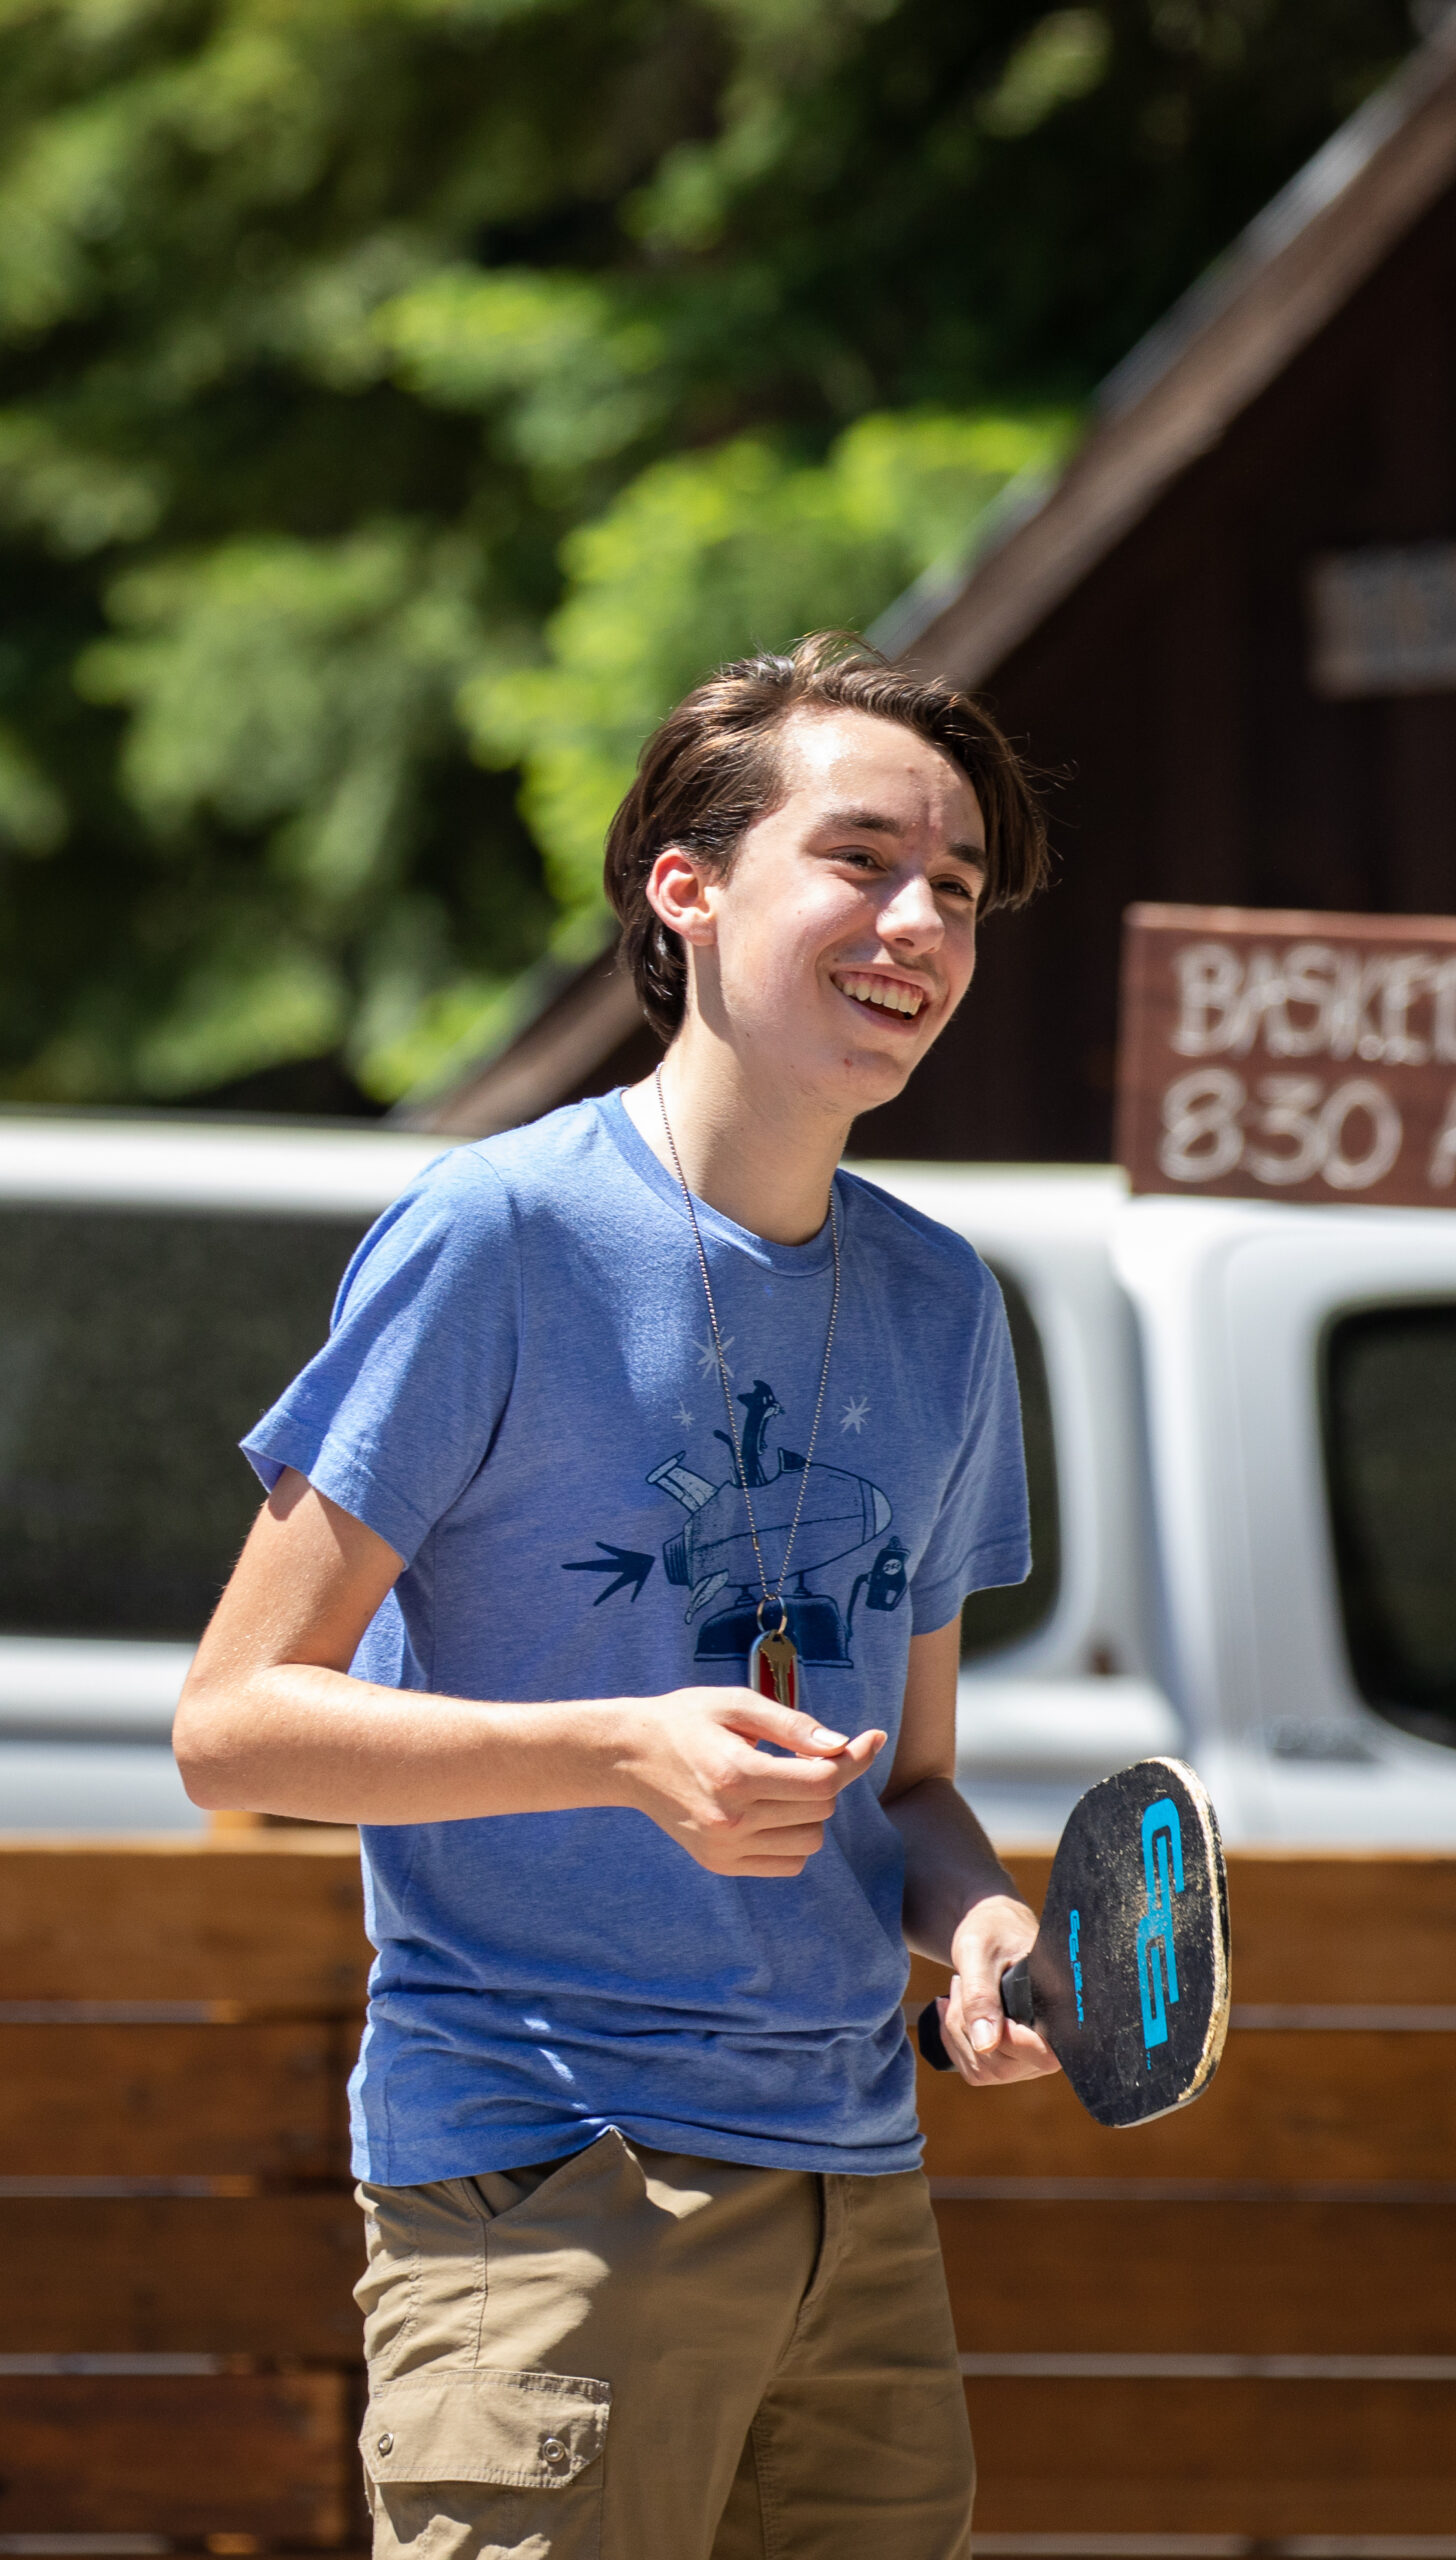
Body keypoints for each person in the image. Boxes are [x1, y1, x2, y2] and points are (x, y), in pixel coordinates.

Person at [175, 631, 1059, 2560]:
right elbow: (231, 1723)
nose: (917, 921)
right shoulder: (499, 1233)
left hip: (861, 2210)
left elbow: (905, 1790)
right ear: (689, 887)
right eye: (861, 860)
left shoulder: (942, 1306)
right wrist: (619, 1750)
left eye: (960, 891)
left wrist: (984, 1926)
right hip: (549, 2195)